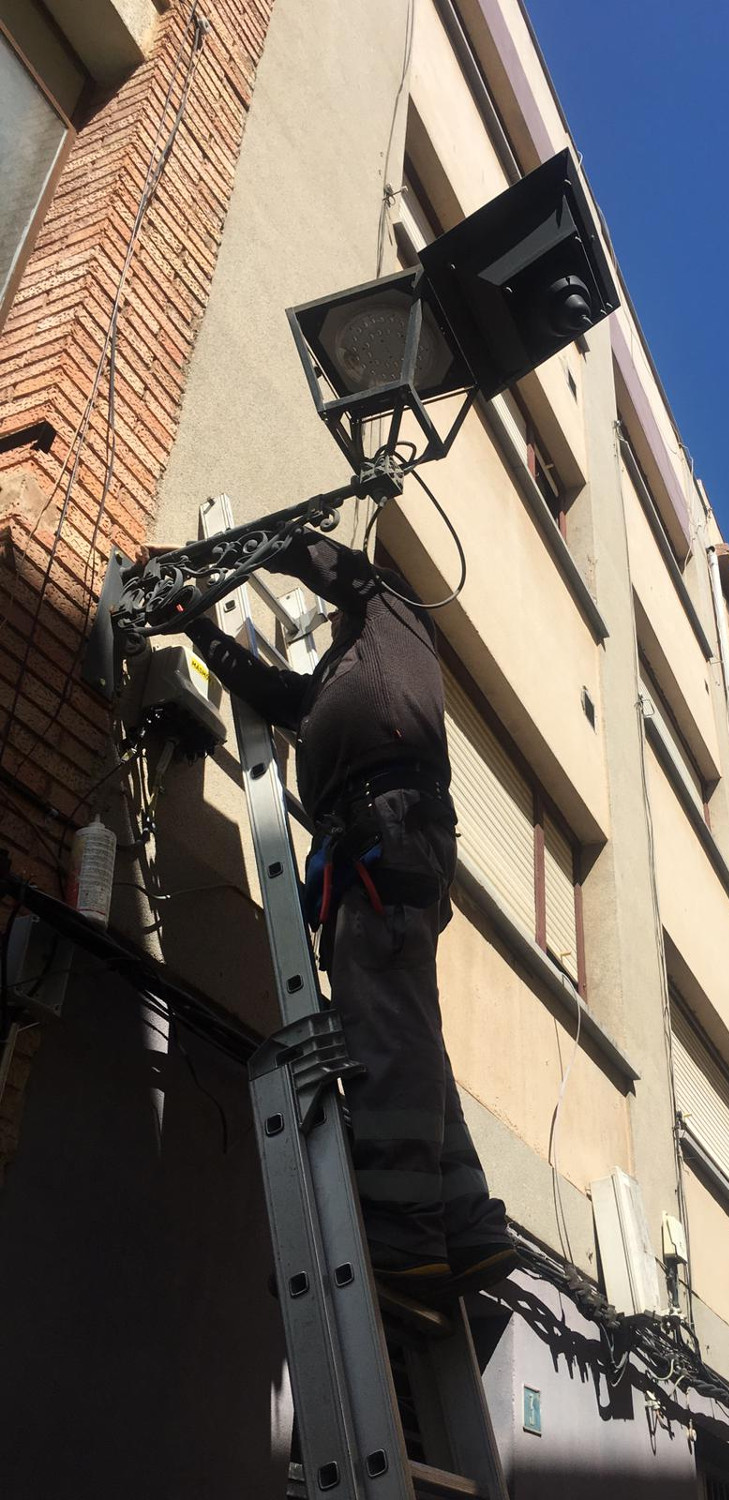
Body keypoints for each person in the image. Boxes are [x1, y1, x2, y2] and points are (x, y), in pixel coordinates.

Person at [169, 528, 515, 1301]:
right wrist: (195, 624)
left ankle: (405, 1233)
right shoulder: (334, 677)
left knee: (386, 1029)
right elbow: (267, 691)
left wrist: (239, 549)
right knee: (406, 1030)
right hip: (380, 843)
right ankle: (467, 1223)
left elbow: (326, 560)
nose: (330, 614)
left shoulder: (395, 616)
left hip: (387, 831)